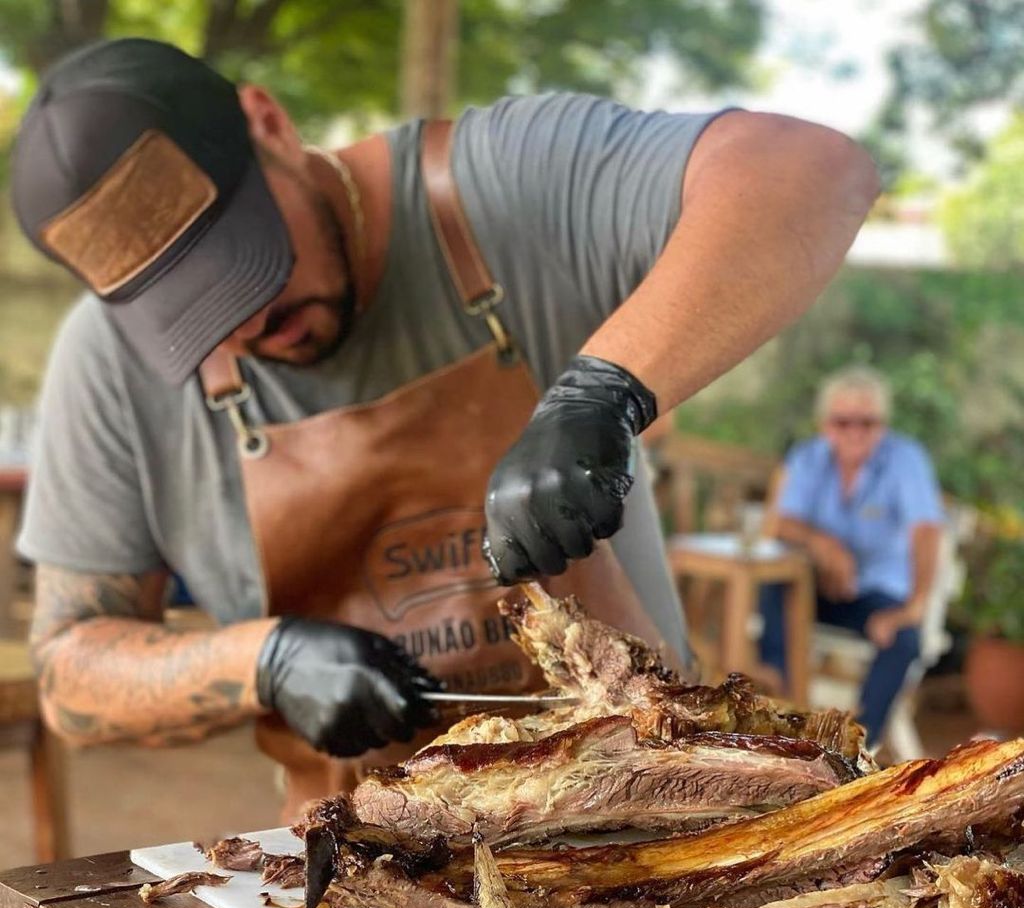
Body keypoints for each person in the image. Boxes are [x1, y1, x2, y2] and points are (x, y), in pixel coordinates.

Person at [11, 38, 879, 814]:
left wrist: (604, 389)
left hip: (654, 821)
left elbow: (813, 170)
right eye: (190, 314)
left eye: (246, 267)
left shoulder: (498, 187)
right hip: (370, 878)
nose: (240, 326)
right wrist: (259, 663)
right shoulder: (111, 365)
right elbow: (70, 671)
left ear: (267, 122)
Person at [759, 366, 944, 746]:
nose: (855, 432)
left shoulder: (906, 460)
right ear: (825, 425)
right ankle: (781, 712)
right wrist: (826, 544)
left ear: (883, 425)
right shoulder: (808, 456)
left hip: (876, 594)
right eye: (843, 422)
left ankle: (860, 744)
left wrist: (915, 606)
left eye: (867, 422)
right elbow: (781, 523)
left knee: (903, 639)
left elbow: (926, 531)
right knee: (774, 588)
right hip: (821, 588)